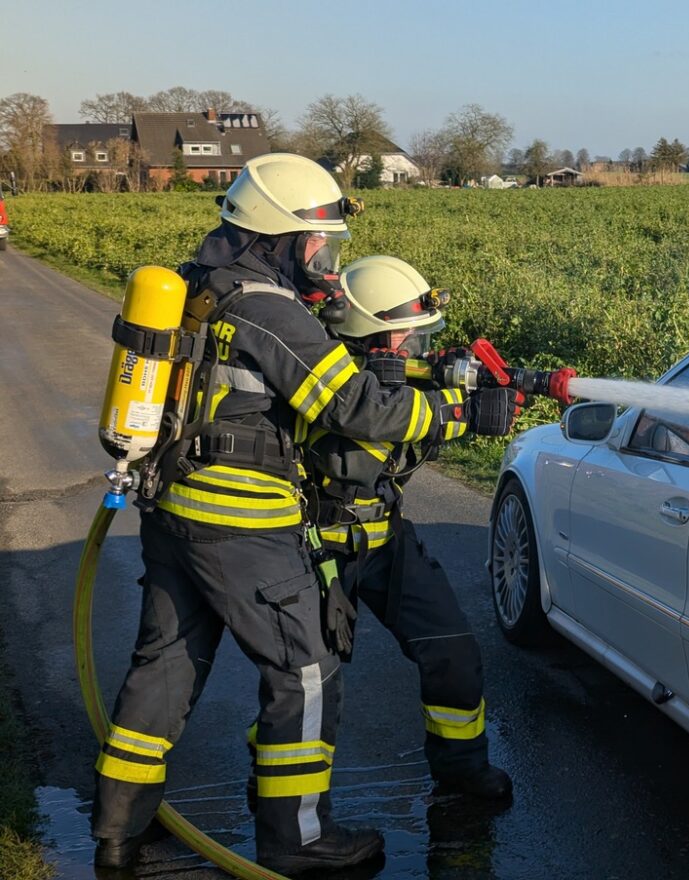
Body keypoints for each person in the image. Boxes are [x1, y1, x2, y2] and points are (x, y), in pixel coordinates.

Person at [90, 153, 517, 876]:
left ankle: (117, 831)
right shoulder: (267, 307)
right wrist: (458, 415)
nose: (325, 259)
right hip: (239, 521)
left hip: (175, 509)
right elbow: (354, 406)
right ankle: (299, 841)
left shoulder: (201, 287)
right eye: (317, 243)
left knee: (165, 667)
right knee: (305, 672)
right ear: (278, 237)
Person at [303, 255, 513, 799]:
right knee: (308, 684)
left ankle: (462, 770)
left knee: (453, 649)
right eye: (408, 340)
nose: (418, 352)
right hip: (314, 549)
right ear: (373, 337)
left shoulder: (390, 382)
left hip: (385, 539)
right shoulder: (328, 380)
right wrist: (454, 411)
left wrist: (483, 403)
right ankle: (287, 798)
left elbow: (409, 435)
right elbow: (357, 451)